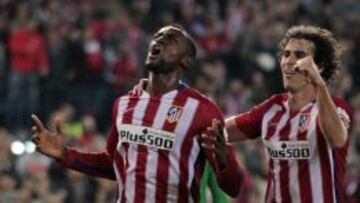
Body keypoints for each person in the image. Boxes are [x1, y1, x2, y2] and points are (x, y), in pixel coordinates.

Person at [30, 25, 244, 203]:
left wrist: (225, 160)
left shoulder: (203, 110)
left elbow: (234, 187)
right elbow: (113, 164)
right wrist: (66, 155)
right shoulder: (123, 104)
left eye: (171, 40)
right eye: (157, 37)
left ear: (185, 61)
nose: (159, 41)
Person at [201, 25, 353, 202]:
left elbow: (337, 139)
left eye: (299, 55)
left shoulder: (335, 107)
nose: (288, 60)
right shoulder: (271, 109)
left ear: (319, 66)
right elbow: (218, 131)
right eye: (286, 54)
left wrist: (319, 84)